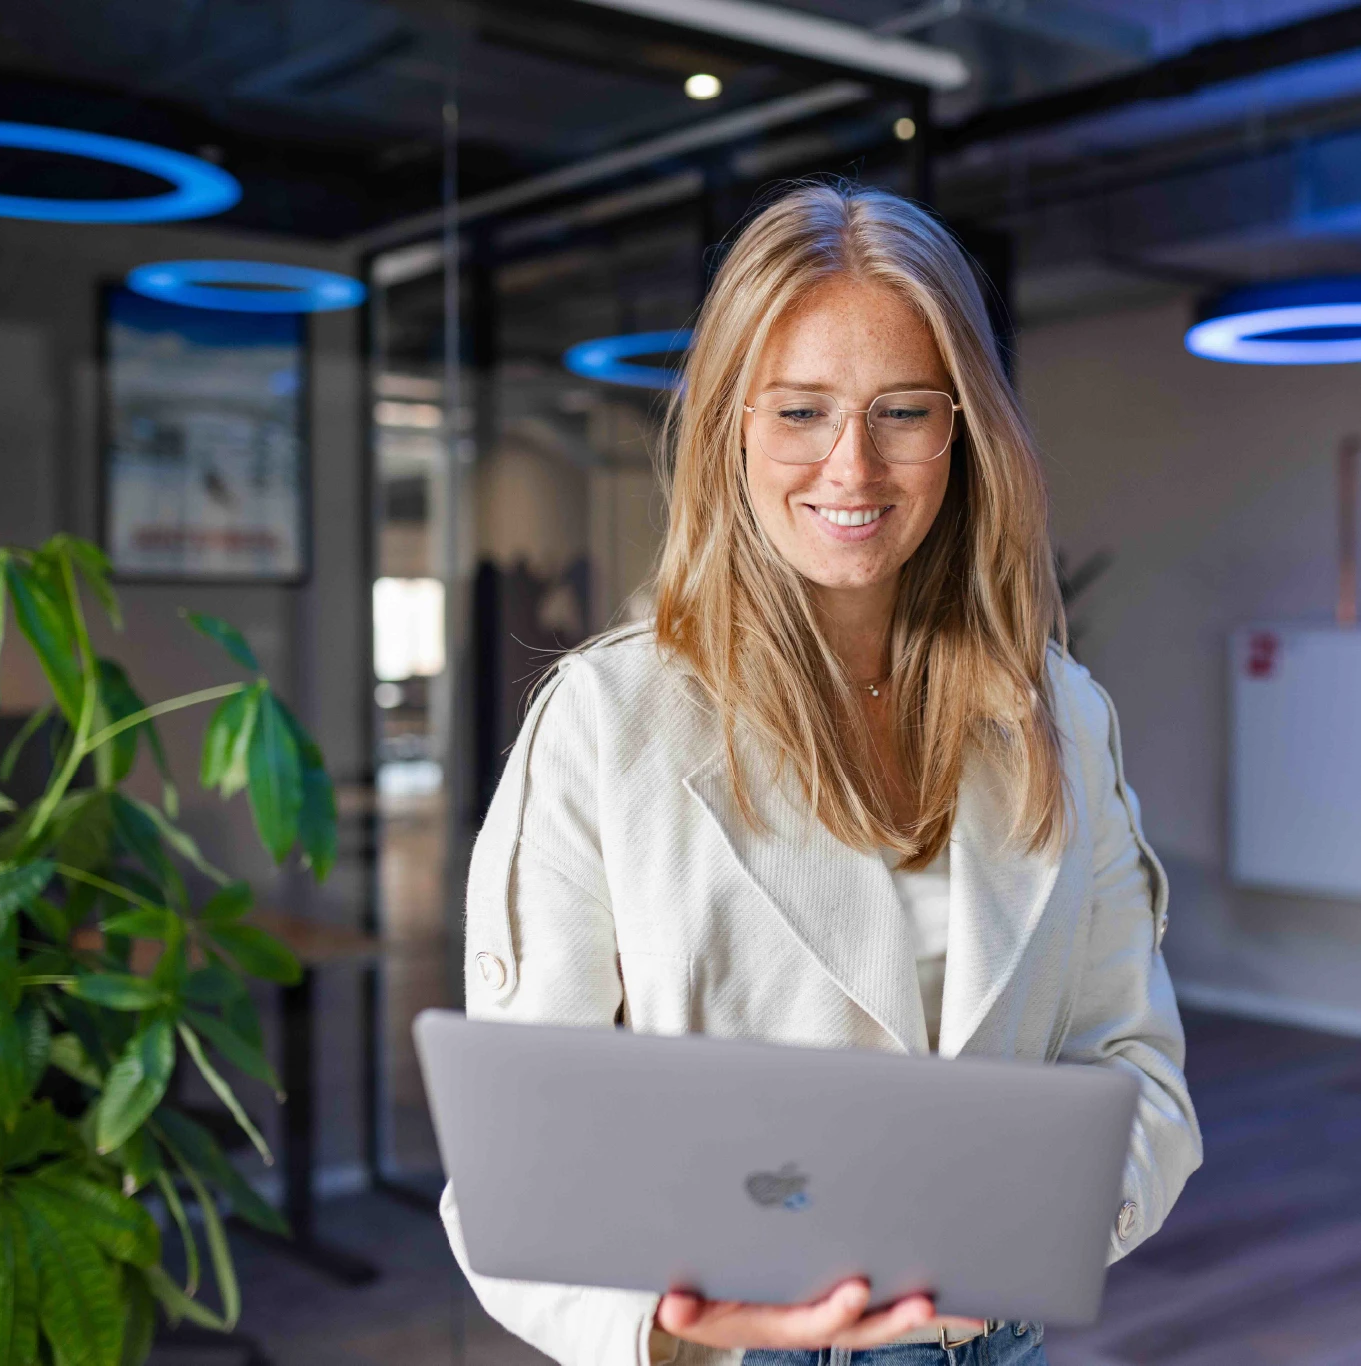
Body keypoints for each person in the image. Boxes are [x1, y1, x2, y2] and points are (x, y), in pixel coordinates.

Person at [439, 180, 1202, 1366]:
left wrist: (1017, 1237)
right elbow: (517, 1169)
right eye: (800, 409)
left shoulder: (1063, 715)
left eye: (902, 409)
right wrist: (677, 1327)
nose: (852, 466)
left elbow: (1133, 1066)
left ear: (962, 431)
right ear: (730, 424)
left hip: (990, 1339)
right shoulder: (606, 720)